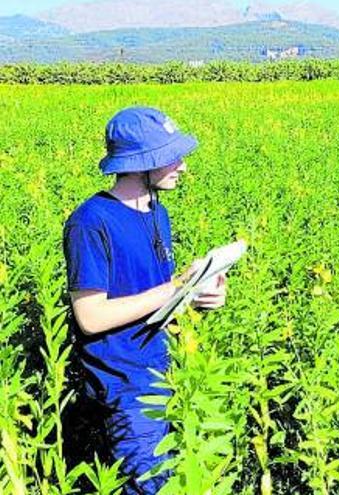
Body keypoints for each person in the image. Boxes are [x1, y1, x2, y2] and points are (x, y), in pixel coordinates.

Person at [63, 106, 226, 493]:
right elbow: (90, 316)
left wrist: (194, 295)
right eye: (170, 157)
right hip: (126, 386)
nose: (182, 166)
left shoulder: (157, 213)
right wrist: (171, 289)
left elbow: (150, 298)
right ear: (139, 164)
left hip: (165, 372)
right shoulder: (91, 221)